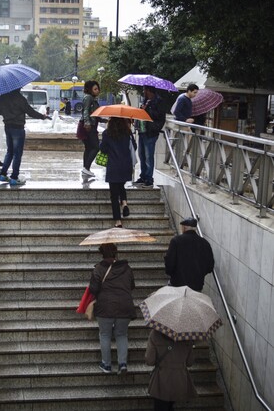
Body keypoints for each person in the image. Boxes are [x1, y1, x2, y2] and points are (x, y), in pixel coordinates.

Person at [89, 242, 136, 375]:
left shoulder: (98, 269)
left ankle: (106, 365)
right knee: (121, 335)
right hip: (125, 306)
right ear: (116, 252)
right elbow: (132, 285)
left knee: (105, 334)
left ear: (102, 253)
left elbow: (94, 289)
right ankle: (122, 364)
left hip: (105, 307)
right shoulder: (126, 268)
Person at [0, 88, 50, 186]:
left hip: (7, 126)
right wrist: (42, 116)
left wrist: (6, 112)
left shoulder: (2, 97)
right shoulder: (20, 99)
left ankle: (3, 174)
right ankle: (14, 177)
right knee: (17, 154)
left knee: (10, 152)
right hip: (18, 128)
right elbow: (30, 112)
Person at [145, 328, 197, 411]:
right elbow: (190, 362)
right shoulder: (187, 336)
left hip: (161, 380)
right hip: (179, 380)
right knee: (170, 406)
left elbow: (149, 360)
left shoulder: (155, 334)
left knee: (160, 406)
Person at [99, 118, 134, 227]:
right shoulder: (127, 132)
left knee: (114, 195)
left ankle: (118, 221)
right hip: (125, 165)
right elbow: (134, 147)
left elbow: (103, 149)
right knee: (121, 186)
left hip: (113, 166)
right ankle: (124, 203)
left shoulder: (107, 133)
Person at [164, 217, 215, 292]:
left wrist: (171, 273)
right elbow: (210, 266)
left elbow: (170, 262)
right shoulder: (205, 243)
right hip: (196, 285)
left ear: (184, 228)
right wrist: (199, 274)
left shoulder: (176, 241)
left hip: (177, 284)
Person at [134, 86, 165, 188]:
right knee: (141, 154)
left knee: (148, 156)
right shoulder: (146, 100)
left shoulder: (159, 101)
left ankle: (149, 178)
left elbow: (159, 115)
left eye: (144, 90)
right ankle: (142, 176)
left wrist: (147, 109)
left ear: (149, 90)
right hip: (143, 130)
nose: (143, 92)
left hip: (151, 132)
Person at [81, 80, 102, 177]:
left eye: (98, 89)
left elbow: (94, 114)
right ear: (90, 90)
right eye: (95, 89)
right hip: (89, 126)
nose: (97, 91)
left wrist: (104, 120)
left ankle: (86, 168)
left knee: (89, 148)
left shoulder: (92, 99)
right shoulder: (88, 97)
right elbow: (85, 111)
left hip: (90, 125)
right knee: (96, 147)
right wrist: (87, 123)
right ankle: (86, 168)